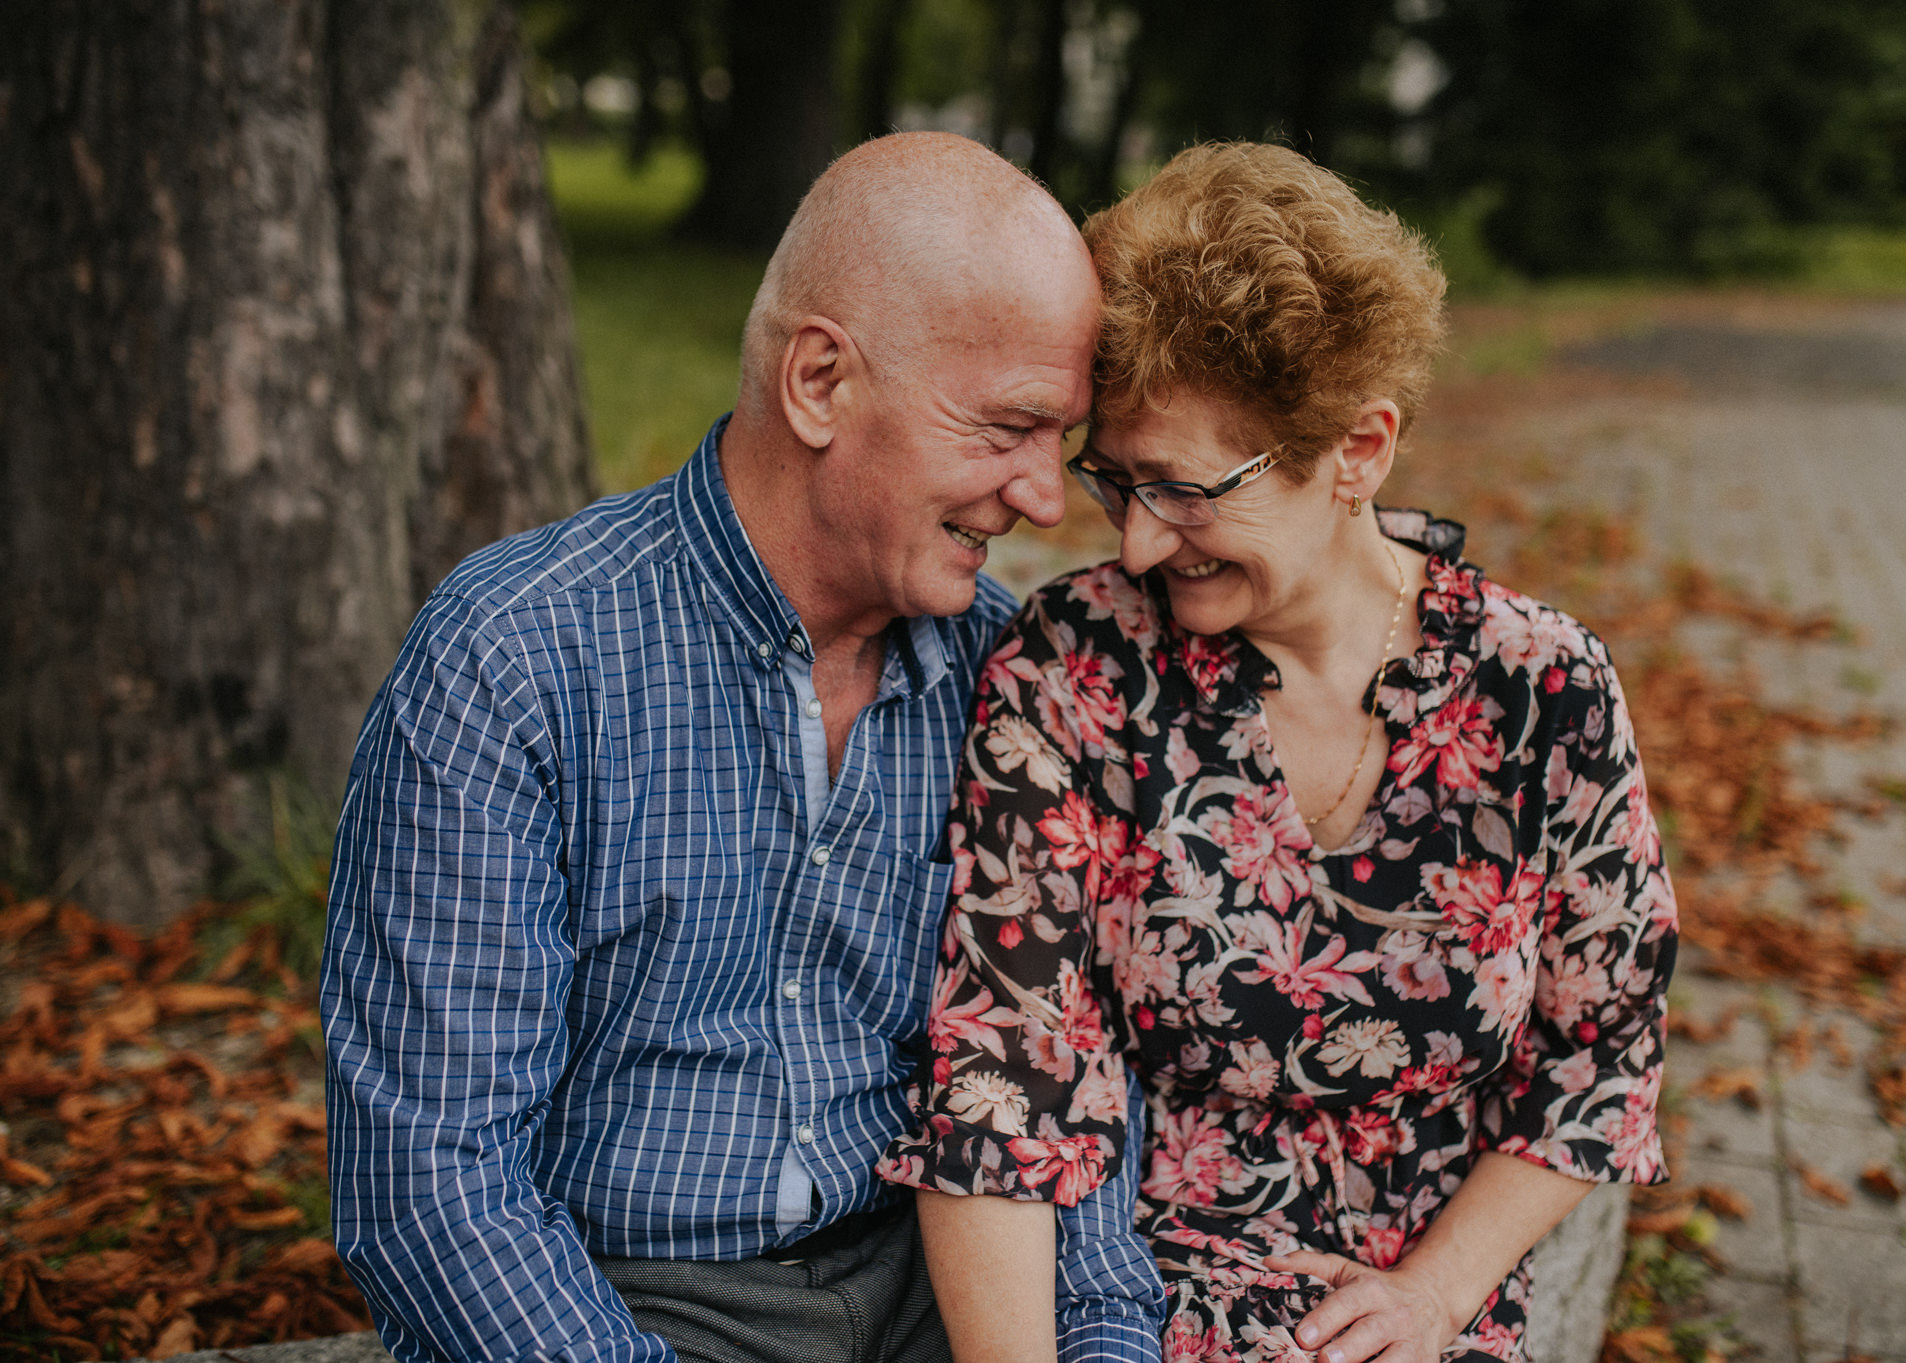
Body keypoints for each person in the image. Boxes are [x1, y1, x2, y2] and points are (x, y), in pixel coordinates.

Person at [320, 131, 1166, 1363]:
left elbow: (1066, 1086)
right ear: (818, 382)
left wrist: (1099, 1345)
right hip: (632, 1306)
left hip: (949, 1278)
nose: (1044, 496)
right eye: (1006, 427)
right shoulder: (517, 654)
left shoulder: (1017, 675)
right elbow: (433, 1177)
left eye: (1062, 441)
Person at [880, 143, 1678, 1363]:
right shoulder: (1079, 668)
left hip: (1413, 1307)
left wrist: (1434, 1293)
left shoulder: (1542, 689)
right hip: (1129, 1295)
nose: (1142, 547)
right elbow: (1004, 1066)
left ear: (1357, 450)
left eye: (1189, 491)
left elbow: (1600, 1051)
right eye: (1116, 484)